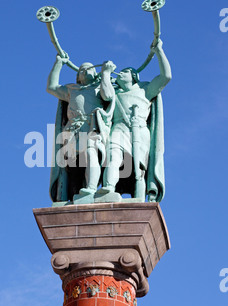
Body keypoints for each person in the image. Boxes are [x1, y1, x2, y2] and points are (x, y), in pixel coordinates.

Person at [100, 39, 172, 202]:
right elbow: (106, 95)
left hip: (139, 132)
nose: (120, 74)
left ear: (133, 76)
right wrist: (105, 73)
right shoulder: (116, 93)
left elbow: (166, 76)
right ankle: (108, 189)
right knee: (113, 157)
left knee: (138, 169)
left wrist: (159, 51)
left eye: (124, 72)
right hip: (118, 129)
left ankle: (139, 197)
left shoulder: (145, 89)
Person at [47, 54, 115, 202]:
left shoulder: (99, 86)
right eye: (81, 70)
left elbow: (109, 96)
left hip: (93, 127)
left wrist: (105, 73)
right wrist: (58, 63)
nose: (84, 72)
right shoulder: (72, 89)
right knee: (72, 167)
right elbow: (52, 87)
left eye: (88, 69)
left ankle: (91, 188)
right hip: (73, 130)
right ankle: (72, 195)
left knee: (91, 152)